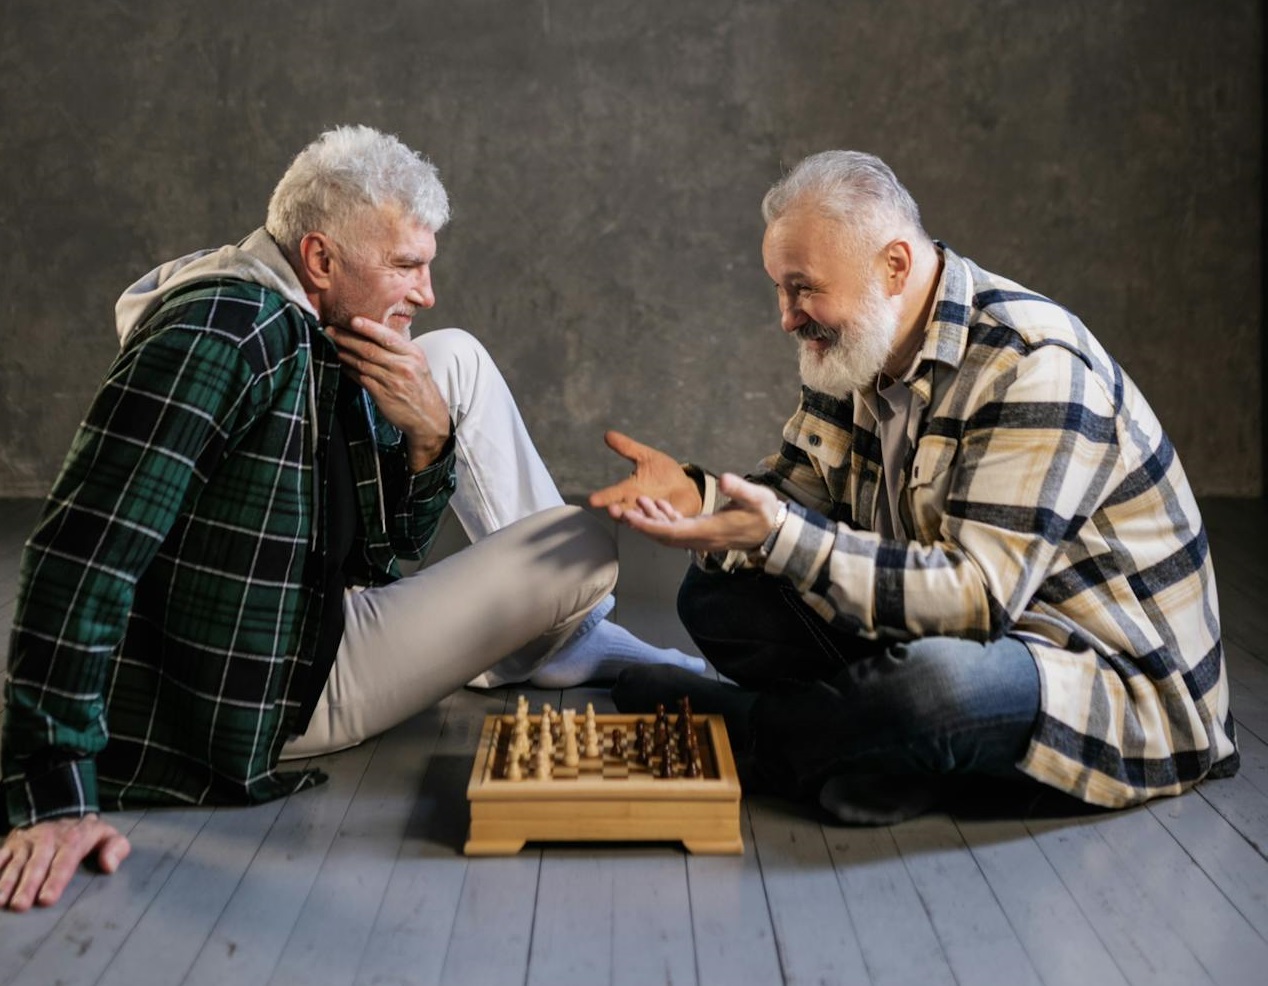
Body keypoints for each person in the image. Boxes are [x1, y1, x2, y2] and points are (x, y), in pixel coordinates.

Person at [0, 124, 703, 911]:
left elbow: (383, 552)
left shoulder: (305, 326)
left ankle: (557, 641)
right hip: (280, 694)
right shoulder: (226, 333)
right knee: (585, 546)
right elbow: (80, 548)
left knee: (457, 355)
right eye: (406, 266)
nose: (425, 292)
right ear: (320, 258)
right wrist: (52, 789)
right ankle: (561, 639)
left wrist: (429, 438)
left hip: (309, 611)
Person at [592, 150, 1238, 825]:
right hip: (953, 628)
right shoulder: (856, 348)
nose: (787, 316)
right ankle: (887, 755)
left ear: (893, 266)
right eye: (780, 289)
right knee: (719, 595)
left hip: (1095, 677)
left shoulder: (1033, 364)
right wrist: (703, 501)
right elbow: (790, 503)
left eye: (802, 287)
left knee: (932, 689)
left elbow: (977, 598)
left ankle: (753, 733)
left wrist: (781, 538)